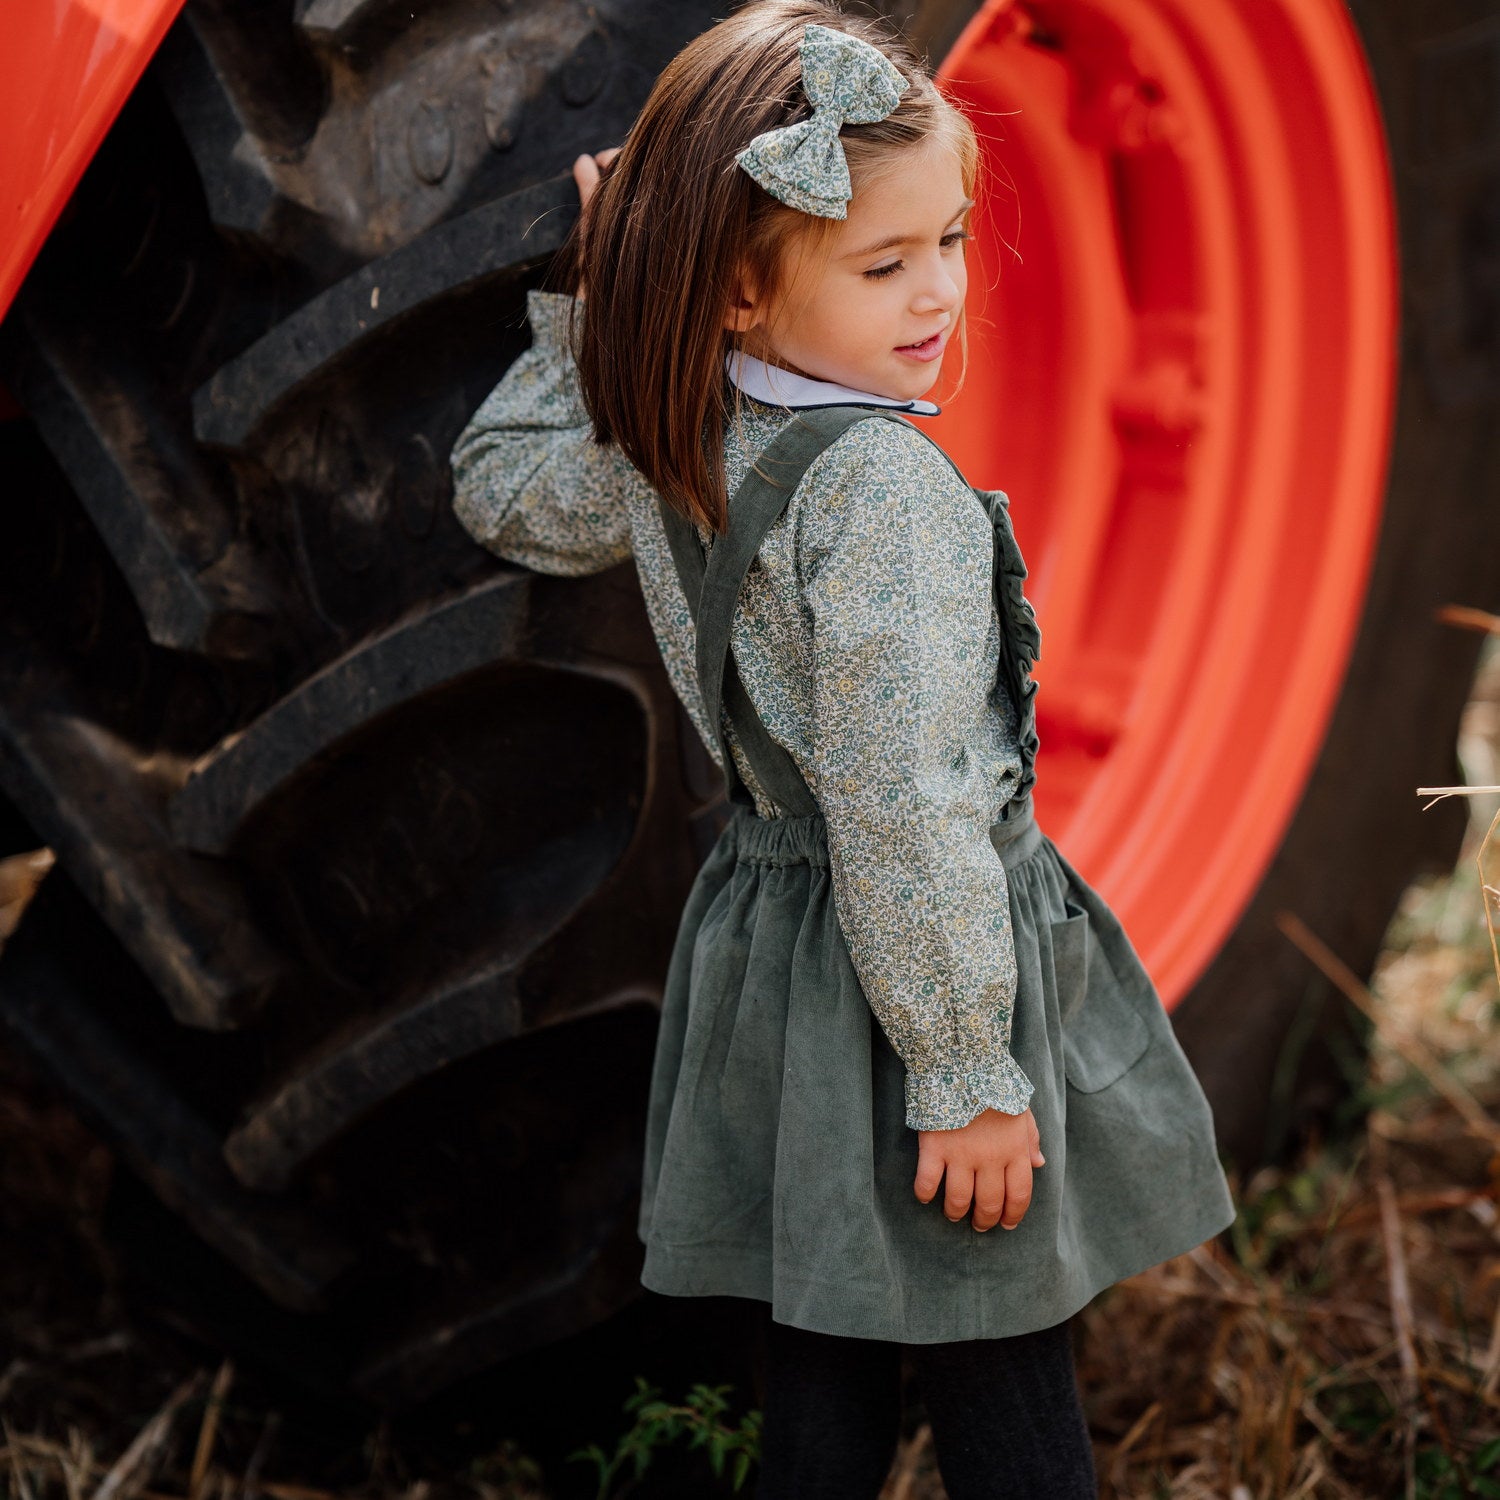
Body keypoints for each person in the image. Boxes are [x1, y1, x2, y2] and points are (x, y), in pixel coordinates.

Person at [448, 3, 1238, 1494]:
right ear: (741, 292)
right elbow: (904, 810)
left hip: (780, 953)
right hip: (917, 968)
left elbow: (500, 486)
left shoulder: (666, 440)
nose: (939, 292)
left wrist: (593, 301)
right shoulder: (885, 497)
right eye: (884, 265)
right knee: (1000, 1359)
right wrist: (965, 1073)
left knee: (826, 1349)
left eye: (950, 239)